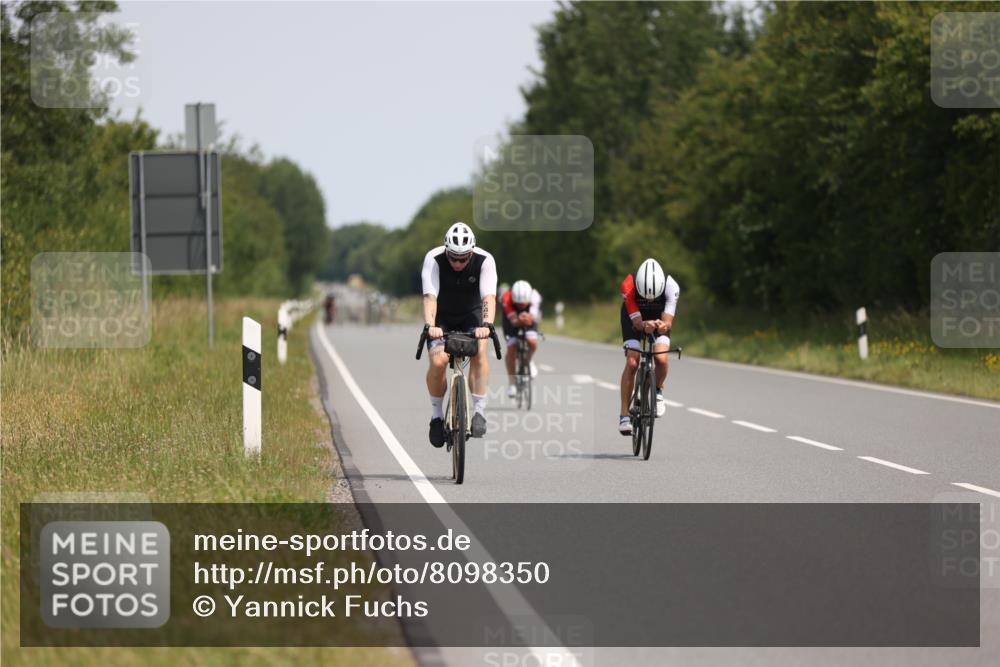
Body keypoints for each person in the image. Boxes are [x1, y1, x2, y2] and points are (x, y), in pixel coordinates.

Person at [420, 222, 498, 447]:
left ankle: (479, 411)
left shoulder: (485, 260)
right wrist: (430, 325)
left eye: (463, 259)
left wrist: (487, 324)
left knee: (480, 351)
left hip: (472, 315)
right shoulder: (434, 258)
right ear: (446, 251)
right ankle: (436, 416)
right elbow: (430, 297)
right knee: (438, 361)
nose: (457, 263)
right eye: (453, 258)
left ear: (471, 253)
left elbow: (488, 297)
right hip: (441, 317)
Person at [618, 258, 680, 435]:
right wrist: (643, 324)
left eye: (653, 297)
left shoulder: (671, 286)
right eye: (646, 297)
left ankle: (658, 391)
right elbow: (637, 323)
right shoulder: (628, 286)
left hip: (659, 316)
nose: (650, 300)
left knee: (661, 358)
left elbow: (667, 322)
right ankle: (624, 415)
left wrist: (662, 326)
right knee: (632, 362)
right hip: (634, 317)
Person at [500, 279, 542, 398]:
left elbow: (533, 316)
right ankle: (512, 383)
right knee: (511, 348)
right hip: (510, 322)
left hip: (529, 320)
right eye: (518, 304)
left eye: (524, 304)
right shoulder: (506, 298)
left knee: (532, 342)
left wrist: (529, 318)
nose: (521, 306)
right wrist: (518, 320)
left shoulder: (535, 296)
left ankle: (528, 361)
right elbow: (513, 320)